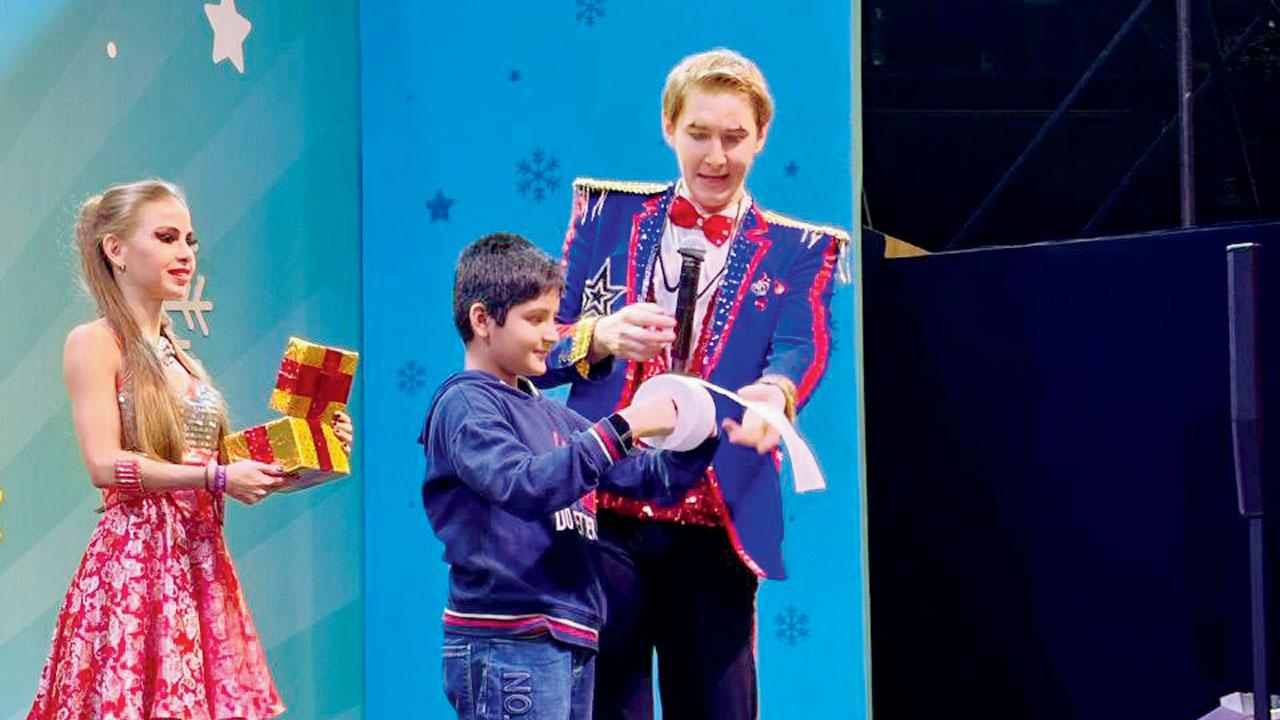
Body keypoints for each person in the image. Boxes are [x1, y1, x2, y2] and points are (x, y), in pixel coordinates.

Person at [536, 49, 848, 719]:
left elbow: (800, 345)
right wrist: (603, 335)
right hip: (604, 512)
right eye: (699, 133)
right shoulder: (606, 217)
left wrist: (775, 395)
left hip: (714, 519)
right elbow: (539, 349)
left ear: (761, 139)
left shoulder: (799, 249)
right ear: (669, 128)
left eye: (734, 138)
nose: (715, 155)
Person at [28, 179, 355, 719]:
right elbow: (103, 464)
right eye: (166, 237)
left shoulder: (178, 353)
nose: (185, 253)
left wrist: (312, 449)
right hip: (135, 563)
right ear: (115, 250)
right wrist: (215, 479)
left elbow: (219, 465)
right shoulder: (95, 341)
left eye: (191, 240)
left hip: (196, 557)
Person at [419, 232, 717, 720]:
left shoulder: (552, 417)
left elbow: (649, 478)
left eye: (554, 319)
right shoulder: (466, 405)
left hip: (568, 633)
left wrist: (701, 427)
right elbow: (524, 485)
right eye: (534, 319)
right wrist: (626, 424)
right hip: (509, 636)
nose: (551, 334)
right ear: (481, 320)